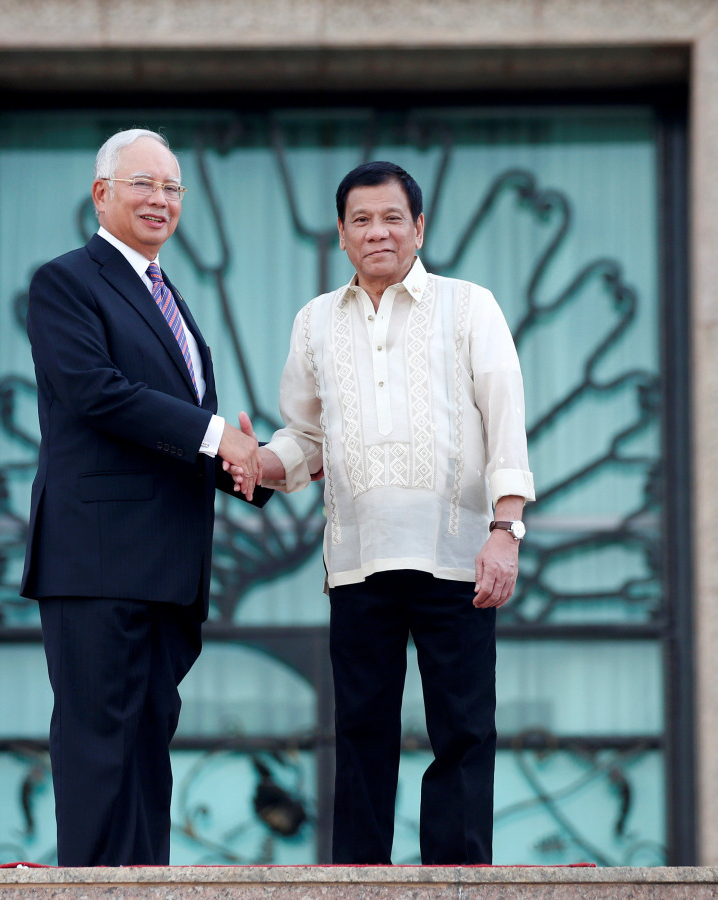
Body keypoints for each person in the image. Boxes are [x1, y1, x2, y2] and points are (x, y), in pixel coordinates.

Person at [256, 161, 535, 864]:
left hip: (457, 553)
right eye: (361, 220)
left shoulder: (470, 306)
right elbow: (308, 438)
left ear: (419, 228)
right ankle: (356, 881)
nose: (377, 232)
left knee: (464, 730)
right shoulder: (315, 321)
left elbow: (505, 423)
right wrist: (257, 461)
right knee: (360, 733)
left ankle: (460, 878)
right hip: (358, 561)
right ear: (342, 236)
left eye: (391, 218)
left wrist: (506, 531)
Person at [20, 128, 269, 866]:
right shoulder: (66, 282)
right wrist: (218, 432)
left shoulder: (173, 303)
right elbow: (98, 394)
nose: (160, 200)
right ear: (102, 194)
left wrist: (262, 466)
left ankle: (144, 886)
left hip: (167, 565)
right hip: (96, 558)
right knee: (101, 744)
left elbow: (190, 437)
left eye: (172, 188)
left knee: (147, 744)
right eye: (143, 184)